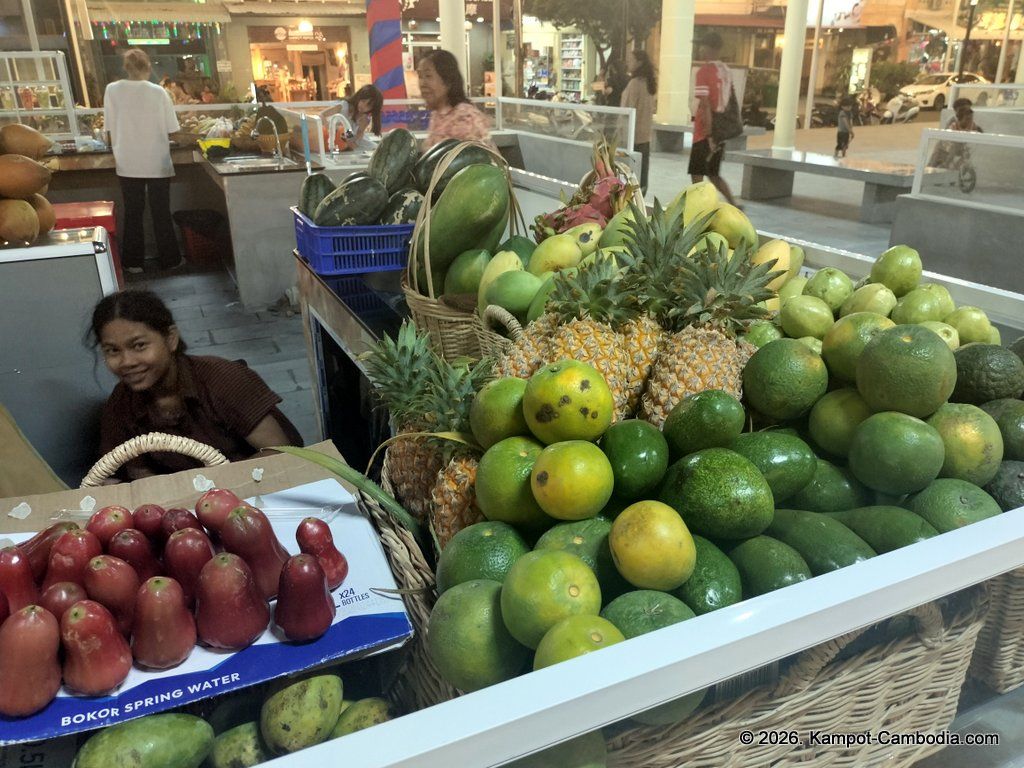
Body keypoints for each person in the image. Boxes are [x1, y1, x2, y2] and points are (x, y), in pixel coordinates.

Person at [90, 289, 303, 481]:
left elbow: (281, 452)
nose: (127, 362)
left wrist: (213, 489)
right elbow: (137, 476)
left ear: (171, 339)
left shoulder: (223, 380)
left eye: (139, 345)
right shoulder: (121, 405)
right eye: (112, 350)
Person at [105, 50, 183, 274]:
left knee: (133, 212)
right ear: (148, 67)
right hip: (156, 159)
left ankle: (132, 262)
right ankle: (170, 260)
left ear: (125, 67)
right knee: (160, 211)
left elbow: (109, 127)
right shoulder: (158, 92)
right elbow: (173, 129)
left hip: (127, 160)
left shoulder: (112, 90)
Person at [689, 32, 739, 207]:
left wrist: (709, 136)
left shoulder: (704, 71)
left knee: (696, 173)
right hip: (721, 129)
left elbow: (705, 105)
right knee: (713, 172)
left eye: (702, 45)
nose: (700, 48)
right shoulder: (726, 70)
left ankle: (699, 206)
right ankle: (733, 203)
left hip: (705, 132)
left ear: (709, 48)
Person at [417, 49, 493, 150]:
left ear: (448, 80)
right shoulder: (436, 115)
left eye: (428, 76)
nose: (422, 83)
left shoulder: (466, 117)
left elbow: (480, 160)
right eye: (420, 76)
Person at [620, 49, 656, 194]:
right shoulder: (649, 83)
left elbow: (627, 111)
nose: (628, 63)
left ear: (639, 62)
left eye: (631, 60)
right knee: (642, 177)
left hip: (632, 137)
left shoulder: (635, 83)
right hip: (645, 136)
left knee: (630, 177)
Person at [333, 84, 384, 151]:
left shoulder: (365, 118)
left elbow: (358, 135)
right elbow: (322, 115)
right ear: (358, 97)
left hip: (352, 141)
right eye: (363, 101)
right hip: (336, 138)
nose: (363, 106)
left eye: (368, 106)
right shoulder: (344, 106)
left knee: (375, 148)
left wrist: (354, 143)